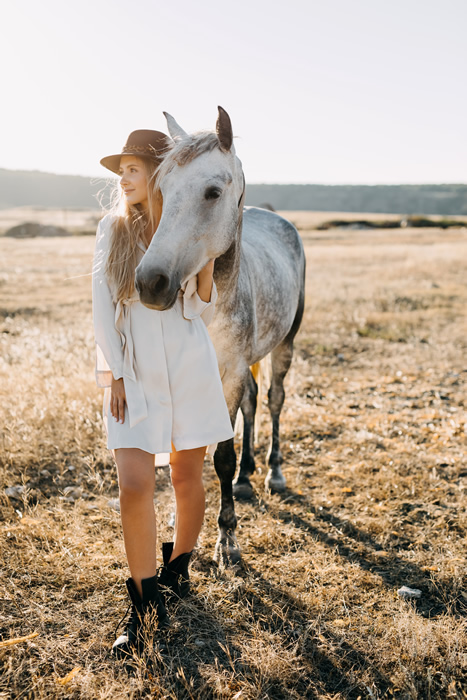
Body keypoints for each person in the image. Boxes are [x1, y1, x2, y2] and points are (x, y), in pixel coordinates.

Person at [92, 130, 234, 658]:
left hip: (189, 364)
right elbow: (102, 312)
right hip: (134, 371)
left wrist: (206, 267)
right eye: (121, 169)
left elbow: (200, 309)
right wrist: (116, 378)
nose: (124, 178)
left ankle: (178, 568)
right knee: (133, 485)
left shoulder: (184, 225)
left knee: (185, 474)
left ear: (160, 174)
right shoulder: (113, 229)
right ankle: (143, 607)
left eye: (133, 168)